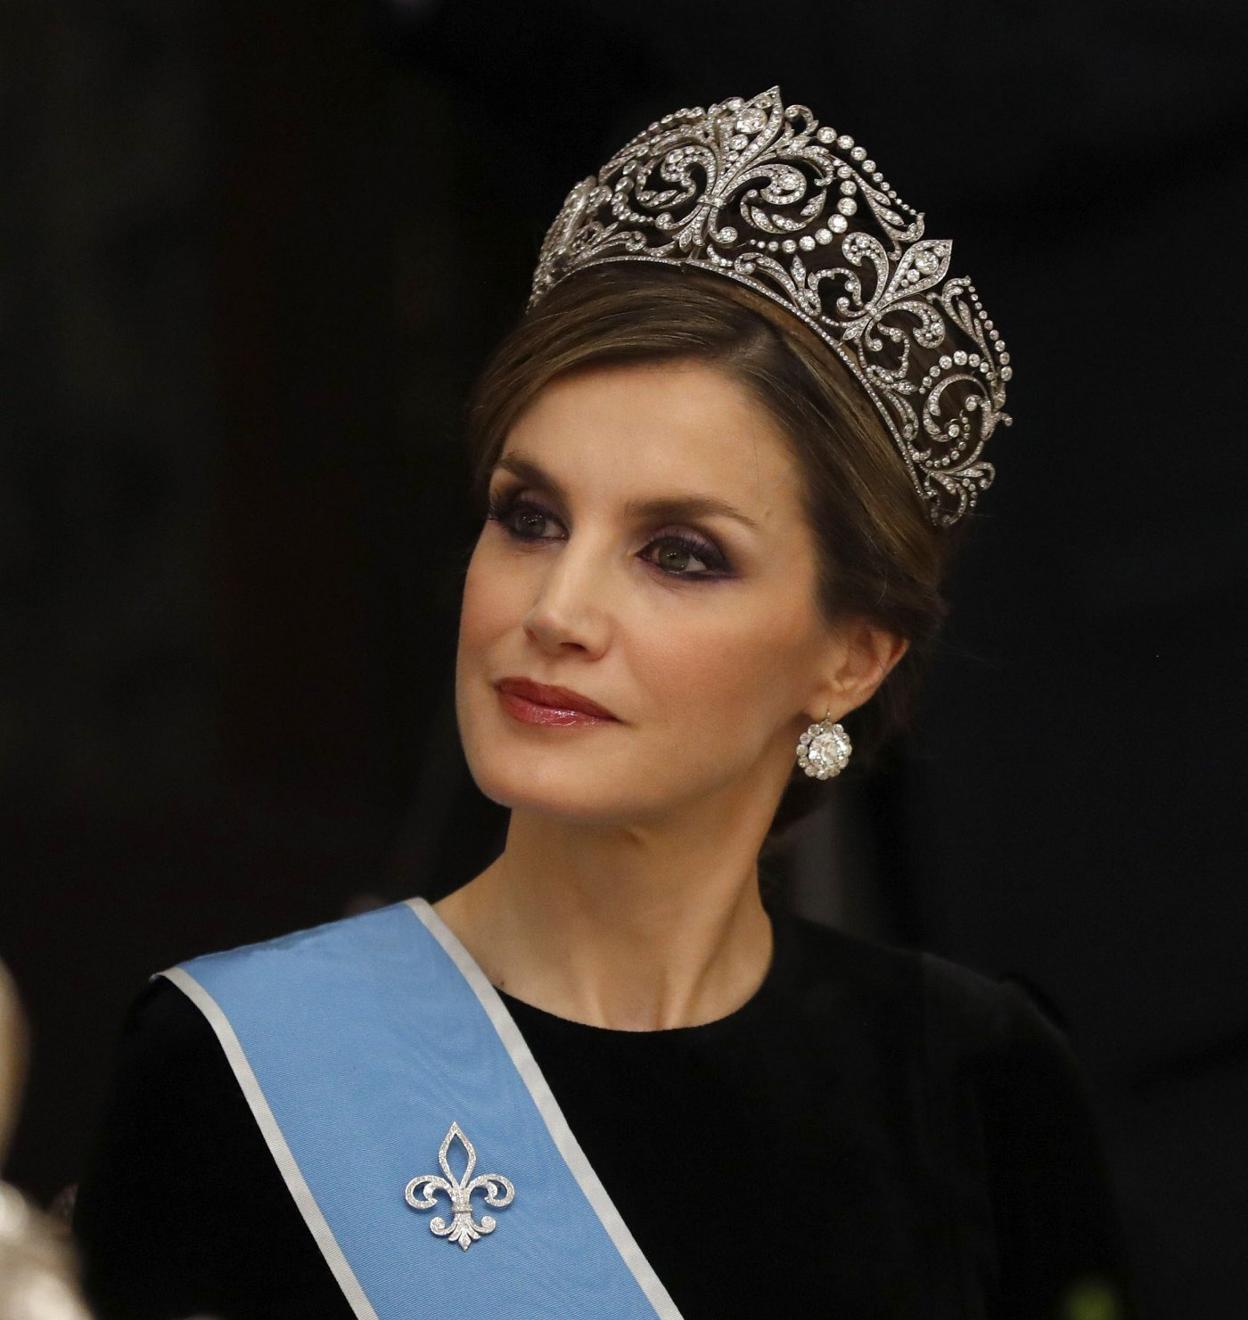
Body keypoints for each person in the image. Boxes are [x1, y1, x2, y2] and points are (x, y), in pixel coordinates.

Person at [72, 86, 1137, 1320]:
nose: (558, 607)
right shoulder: (236, 1061)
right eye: (529, 517)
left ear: (851, 658)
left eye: (680, 552)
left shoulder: (980, 1083)